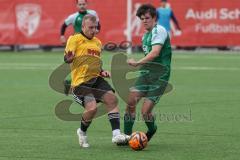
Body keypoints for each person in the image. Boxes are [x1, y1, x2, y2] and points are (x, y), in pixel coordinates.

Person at [64, 14, 128, 148]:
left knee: (112, 99)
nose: (93, 30)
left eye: (95, 27)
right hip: (80, 83)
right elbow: (68, 57)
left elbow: (95, 63)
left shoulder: (97, 42)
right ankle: (81, 132)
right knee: (92, 108)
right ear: (83, 26)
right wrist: (69, 58)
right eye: (90, 27)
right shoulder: (74, 39)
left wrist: (101, 72)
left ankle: (116, 135)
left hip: (96, 80)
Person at [123, 4, 172, 142]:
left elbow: (155, 52)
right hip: (145, 74)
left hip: (160, 77)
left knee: (145, 112)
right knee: (131, 102)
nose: (144, 21)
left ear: (154, 17)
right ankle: (127, 137)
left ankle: (152, 129)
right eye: (142, 18)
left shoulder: (160, 30)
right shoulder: (145, 36)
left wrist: (138, 62)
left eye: (147, 18)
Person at [60, 0, 100, 95]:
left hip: (88, 43)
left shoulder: (92, 14)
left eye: (83, 4)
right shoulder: (73, 17)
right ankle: (75, 87)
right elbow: (64, 25)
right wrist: (62, 36)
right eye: (80, 4)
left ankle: (70, 85)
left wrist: (96, 30)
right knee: (76, 69)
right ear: (77, 5)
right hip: (76, 45)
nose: (82, 6)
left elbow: (98, 24)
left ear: (87, 4)